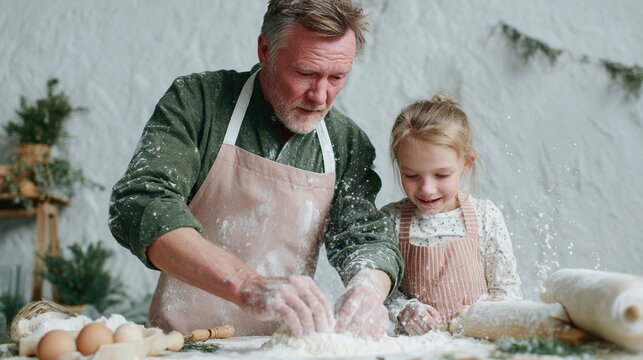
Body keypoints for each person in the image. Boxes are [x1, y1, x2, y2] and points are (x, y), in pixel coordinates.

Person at [108, 0, 403, 339]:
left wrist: (368, 290)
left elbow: (365, 236)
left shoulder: (344, 142)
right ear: (265, 49)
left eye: (337, 77)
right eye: (305, 73)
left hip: (281, 347)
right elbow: (141, 202)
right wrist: (246, 285)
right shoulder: (198, 102)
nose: (321, 96)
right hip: (185, 344)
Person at [382, 94, 523, 336]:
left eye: (442, 175)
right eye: (411, 175)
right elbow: (383, 293)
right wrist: (404, 310)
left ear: (466, 163)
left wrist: (481, 314)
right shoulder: (391, 220)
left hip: (475, 346)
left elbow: (509, 292)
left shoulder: (484, 217)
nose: (427, 188)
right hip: (415, 351)